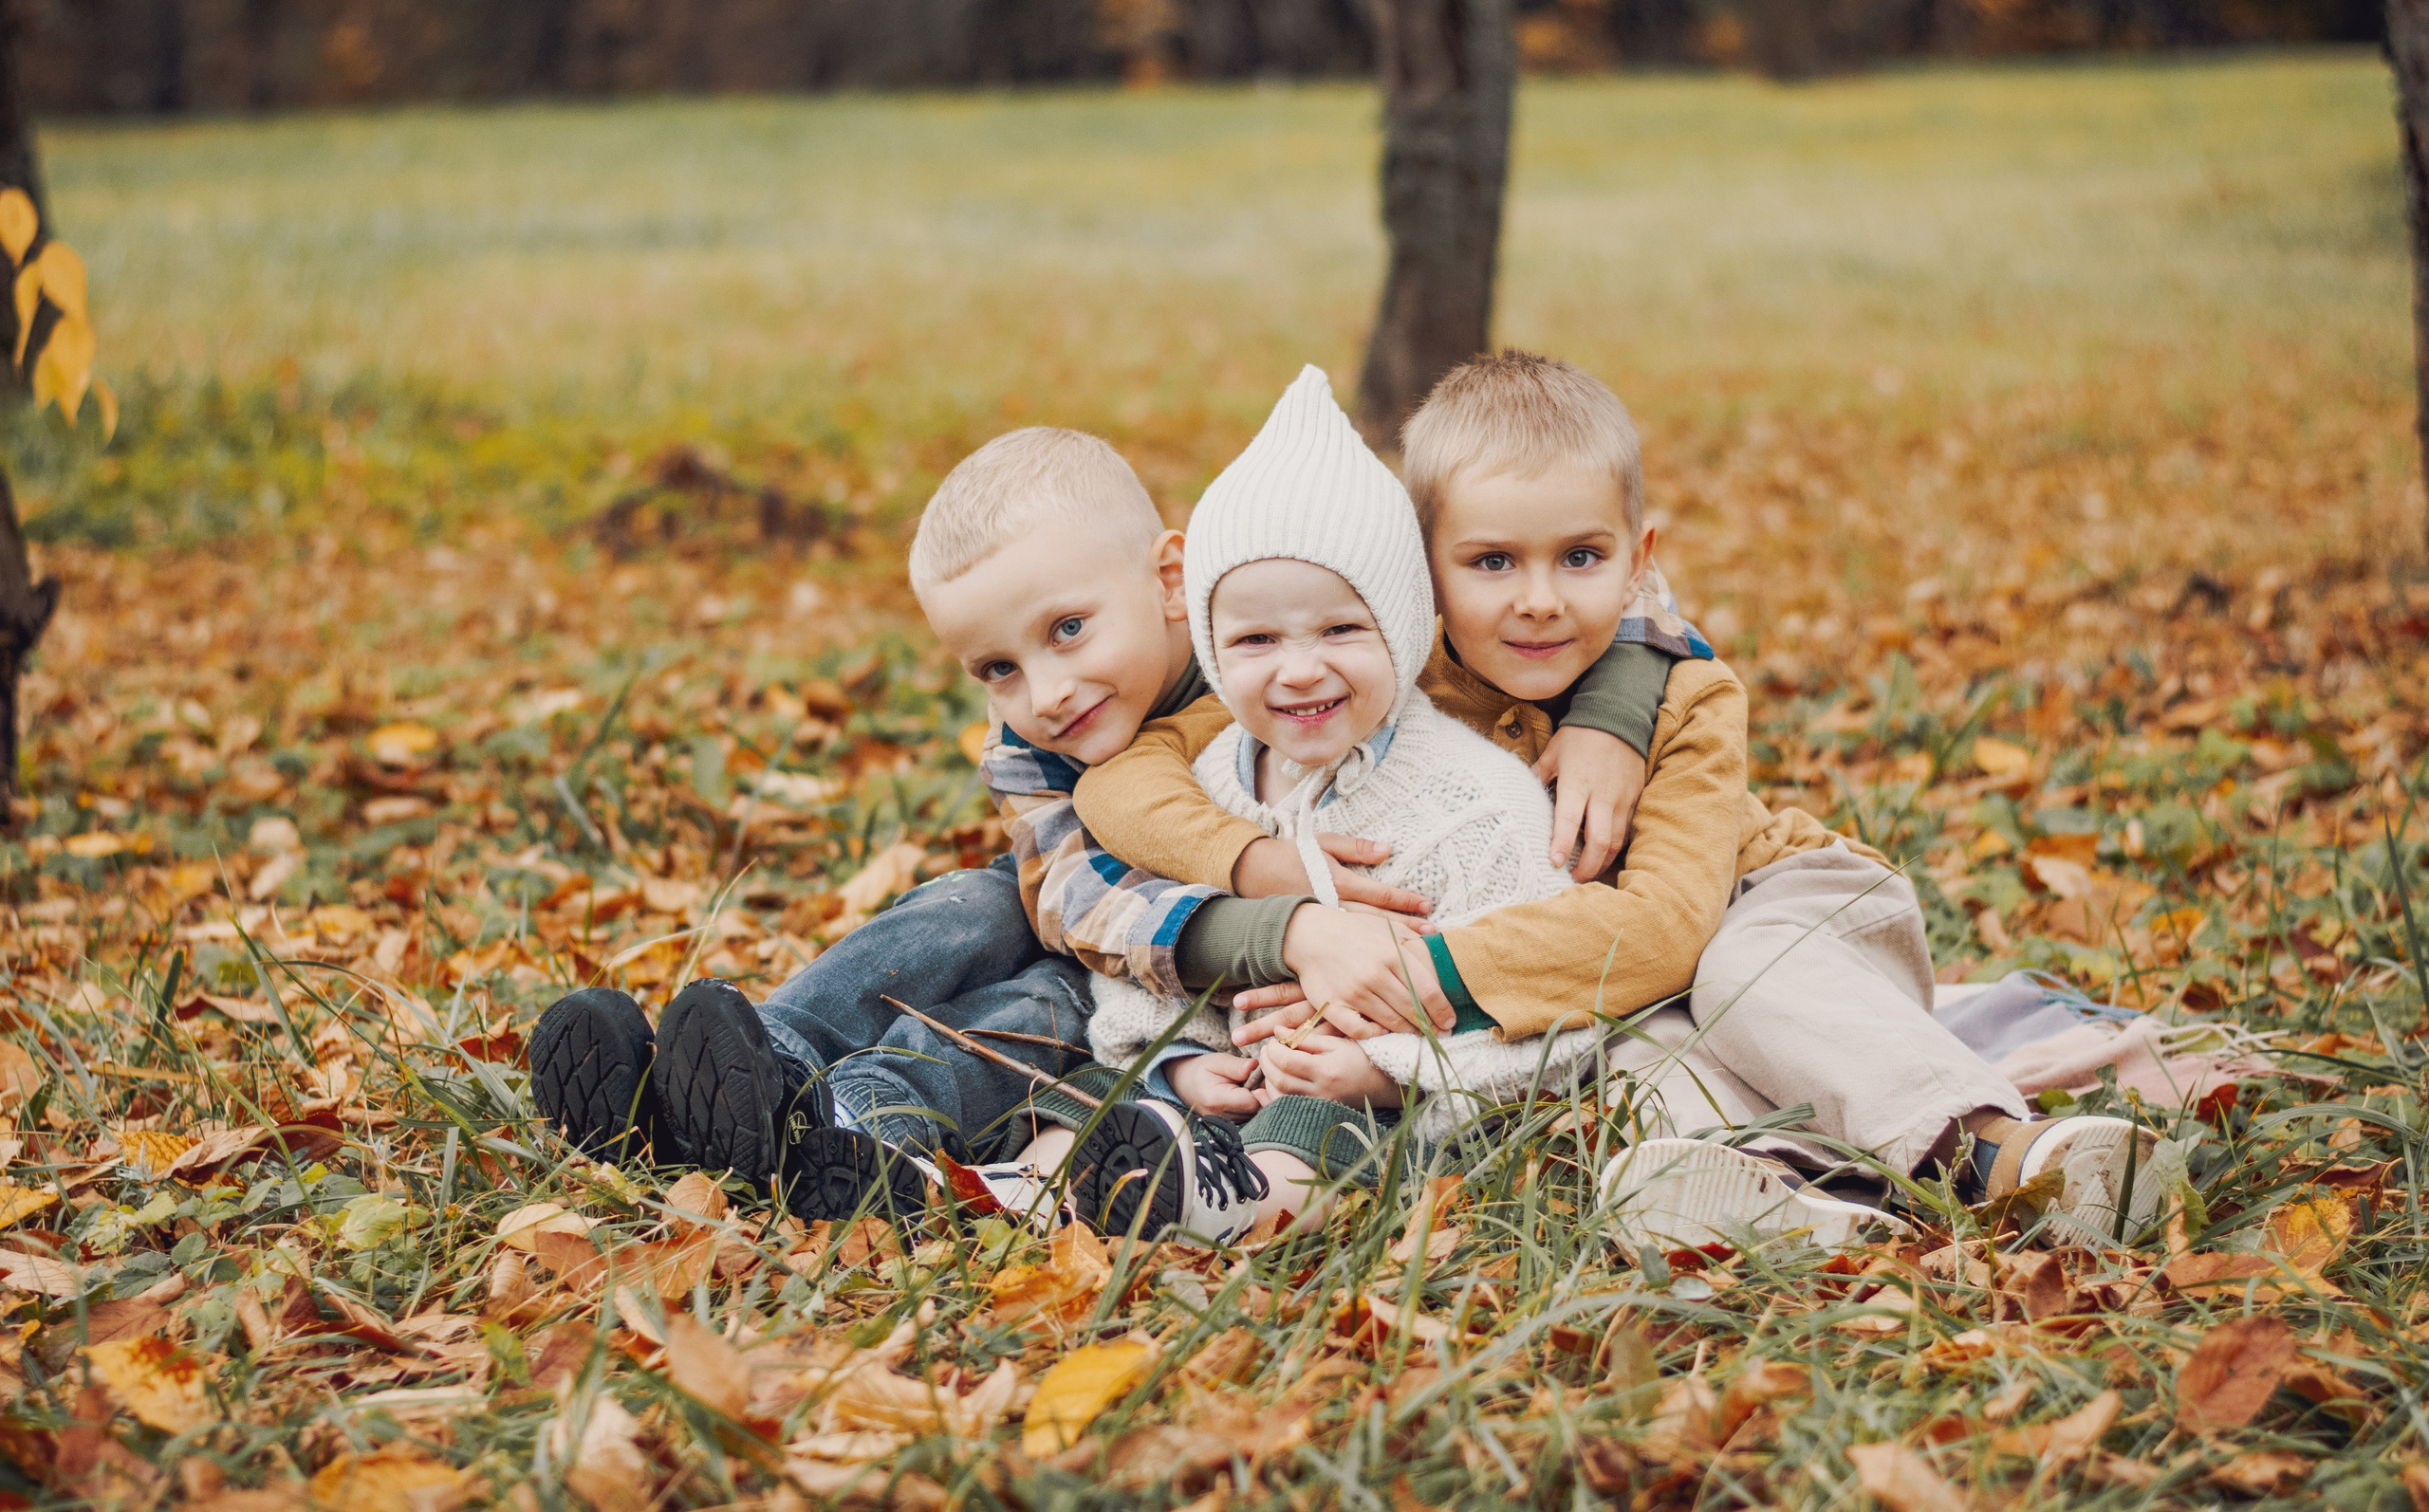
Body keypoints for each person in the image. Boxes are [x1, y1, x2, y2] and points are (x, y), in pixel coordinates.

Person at [1074, 350, 2166, 1251]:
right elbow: (1125, 781)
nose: (1541, 600)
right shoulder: (1375, 675)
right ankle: (1772, 1203)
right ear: (1419, 574)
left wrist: (1430, 977)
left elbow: (1664, 931)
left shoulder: (1686, 697)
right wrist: (1271, 881)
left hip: (1775, 908)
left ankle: (1996, 1151)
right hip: (1624, 992)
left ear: (1637, 563)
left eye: (1581, 557)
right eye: (1492, 561)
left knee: (1740, 978)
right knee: (1626, 1059)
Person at [526, 410, 1687, 1221]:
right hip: (1124, 944)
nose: (1046, 693)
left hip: (1157, 993)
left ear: (1173, 578)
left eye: (1068, 632)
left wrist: (1622, 701)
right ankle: (747, 1058)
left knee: (1029, 1002)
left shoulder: (1280, 625)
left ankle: (838, 1112)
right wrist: (1273, 913)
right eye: (995, 666)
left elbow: (1495, 588)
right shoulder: (1036, 737)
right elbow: (1070, 900)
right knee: (967, 909)